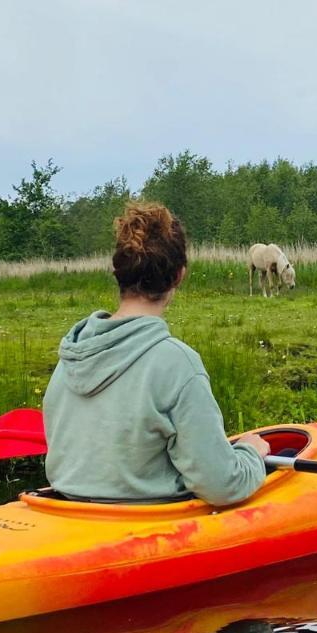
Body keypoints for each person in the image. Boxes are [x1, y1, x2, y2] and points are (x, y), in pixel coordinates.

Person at [43, 202, 269, 505]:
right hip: (143, 532)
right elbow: (223, 485)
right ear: (179, 275)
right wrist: (252, 453)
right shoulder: (178, 365)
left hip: (66, 516)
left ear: (117, 273)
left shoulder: (70, 357)